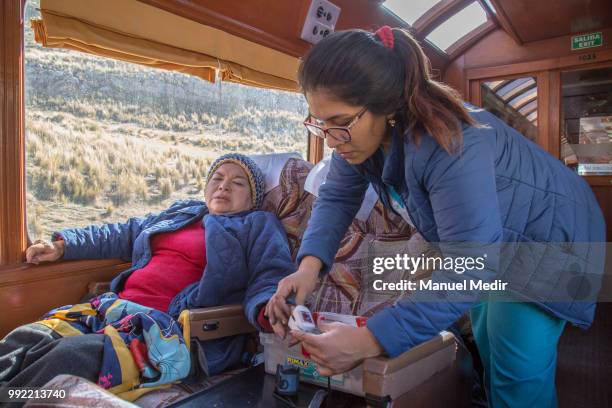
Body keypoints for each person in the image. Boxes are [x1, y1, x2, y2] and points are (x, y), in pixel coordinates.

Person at [265, 27, 605, 407]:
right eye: (319, 123)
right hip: (492, 240)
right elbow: (337, 197)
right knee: (489, 347)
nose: (329, 139)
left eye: (340, 122)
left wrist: (369, 340)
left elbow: (470, 267)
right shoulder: (357, 139)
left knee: (514, 367)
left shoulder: (450, 141)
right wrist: (308, 270)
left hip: (551, 237)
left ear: (387, 107)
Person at [1, 153, 293, 393]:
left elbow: (270, 273)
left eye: (237, 183)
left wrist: (267, 308)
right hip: (112, 309)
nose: (223, 187)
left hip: (167, 328)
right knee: (26, 338)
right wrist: (64, 247)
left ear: (253, 197)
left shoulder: (257, 224)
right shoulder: (182, 212)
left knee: (69, 356)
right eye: (217, 178)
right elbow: (122, 233)